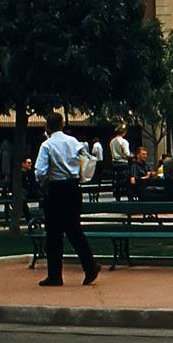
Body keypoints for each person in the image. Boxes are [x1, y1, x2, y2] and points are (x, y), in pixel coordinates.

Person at [35, 112, 100, 287]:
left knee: (53, 234)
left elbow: (40, 171)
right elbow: (87, 160)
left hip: (56, 189)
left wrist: (44, 181)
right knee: (74, 230)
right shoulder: (74, 142)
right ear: (62, 124)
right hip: (73, 188)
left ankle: (55, 275)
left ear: (47, 126)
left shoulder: (47, 145)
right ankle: (90, 266)